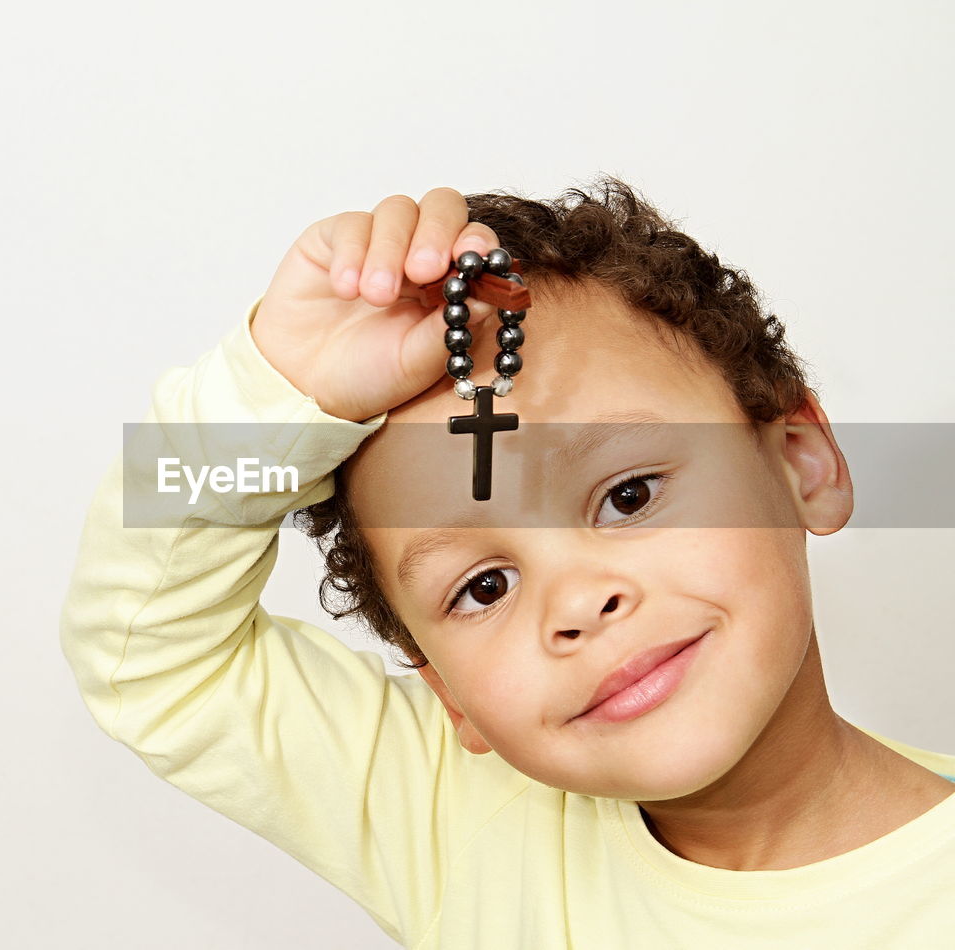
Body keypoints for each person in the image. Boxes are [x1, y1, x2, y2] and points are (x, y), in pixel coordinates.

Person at [58, 177, 955, 948]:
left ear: (800, 463)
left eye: (630, 494)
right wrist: (281, 387)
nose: (580, 601)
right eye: (483, 588)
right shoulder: (460, 819)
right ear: (451, 695)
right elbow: (150, 659)